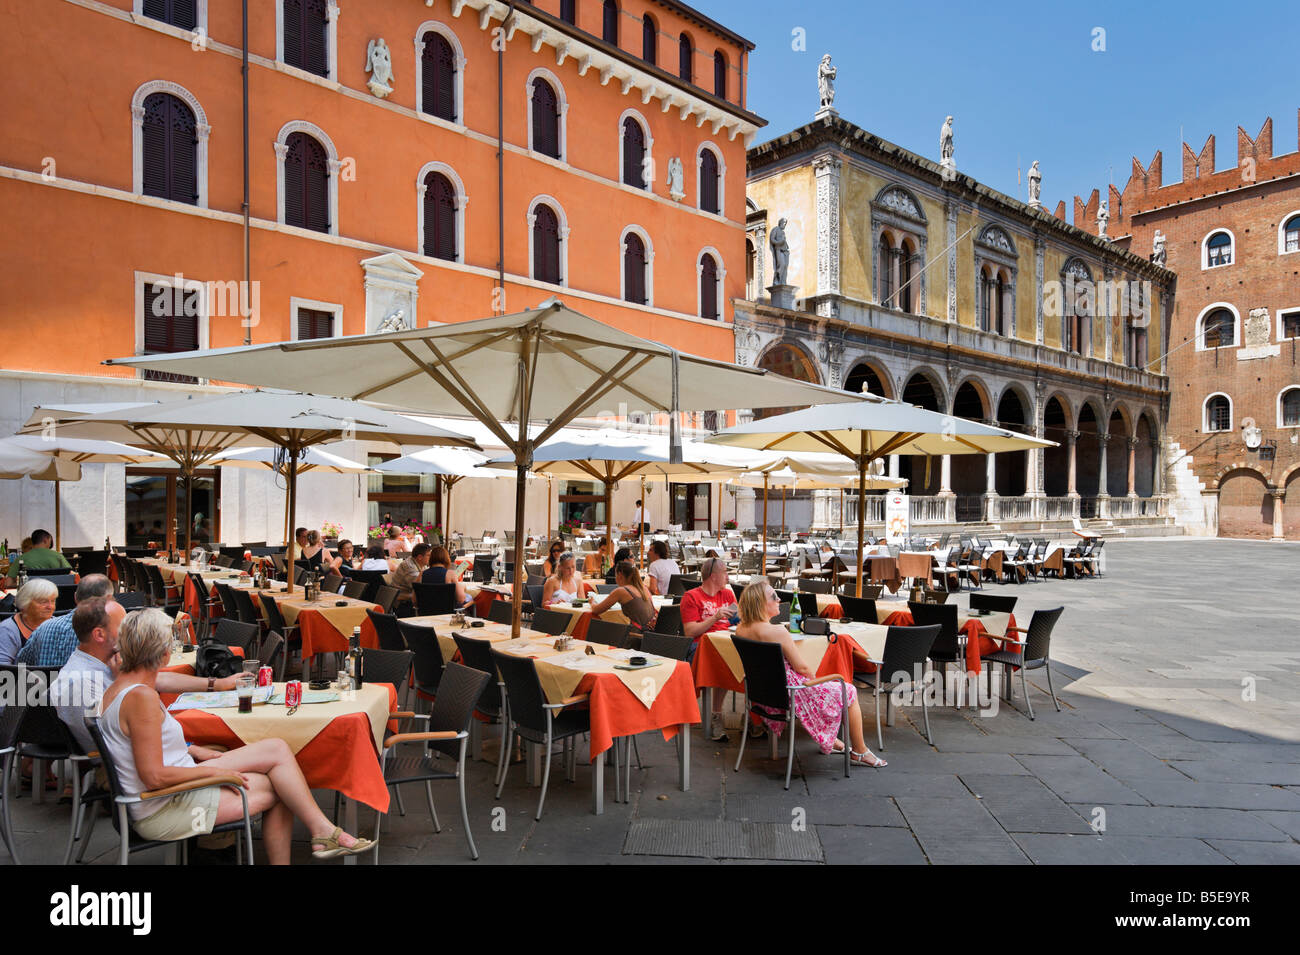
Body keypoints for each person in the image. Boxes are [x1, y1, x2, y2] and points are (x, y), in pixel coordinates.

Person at [95, 609, 373, 862]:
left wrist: (193, 749)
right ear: (165, 654)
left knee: (277, 750)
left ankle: (322, 831)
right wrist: (214, 773)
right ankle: (321, 833)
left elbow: (137, 745)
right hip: (165, 806)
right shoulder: (140, 697)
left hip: (165, 790)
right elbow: (154, 776)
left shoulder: (121, 686)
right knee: (283, 787)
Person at [50, 597, 239, 756]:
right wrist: (190, 749)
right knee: (227, 743)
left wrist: (217, 684)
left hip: (147, 752)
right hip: (131, 769)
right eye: (124, 627)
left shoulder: (103, 664)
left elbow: (157, 680)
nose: (131, 632)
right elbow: (116, 745)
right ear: (99, 634)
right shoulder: (82, 681)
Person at [735, 581, 885, 767]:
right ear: (760, 603)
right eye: (774, 596)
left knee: (825, 685)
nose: (779, 599)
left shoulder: (741, 629)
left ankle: (832, 741)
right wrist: (814, 679)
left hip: (764, 694)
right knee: (848, 690)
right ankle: (860, 751)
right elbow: (802, 668)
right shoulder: (777, 631)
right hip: (792, 692)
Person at [680, 556, 738, 739]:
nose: (727, 577)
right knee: (721, 661)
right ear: (714, 575)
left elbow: (737, 620)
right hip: (700, 645)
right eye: (725, 572)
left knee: (750, 659)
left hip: (726, 642)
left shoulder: (728, 594)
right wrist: (714, 617)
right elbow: (689, 632)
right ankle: (715, 715)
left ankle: (754, 717)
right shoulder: (691, 597)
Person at [16, 573, 113, 667]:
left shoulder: (44, 627)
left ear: (75, 597)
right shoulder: (107, 634)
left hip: (44, 682)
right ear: (109, 599)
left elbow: (20, 664)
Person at [0, 577, 58, 664]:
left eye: (53, 601)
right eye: (43, 602)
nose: (50, 607)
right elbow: (3, 666)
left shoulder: (60, 626)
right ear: (25, 603)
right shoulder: (8, 630)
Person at [589, 560, 656, 634]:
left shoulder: (621, 591)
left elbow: (596, 610)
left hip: (636, 637)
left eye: (615, 575)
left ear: (620, 575)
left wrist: (592, 602)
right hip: (651, 635)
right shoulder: (644, 588)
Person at [421, 545, 472, 610]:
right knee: (470, 598)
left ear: (430, 559)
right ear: (446, 559)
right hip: (447, 613)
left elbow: (414, 600)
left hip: (426, 612)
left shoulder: (422, 574)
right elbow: (461, 599)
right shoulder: (450, 574)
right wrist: (461, 587)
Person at [390, 542, 431, 610]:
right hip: (402, 603)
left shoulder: (421, 564)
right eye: (429, 555)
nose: (431, 557)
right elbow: (420, 586)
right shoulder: (409, 567)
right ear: (420, 557)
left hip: (410, 599)